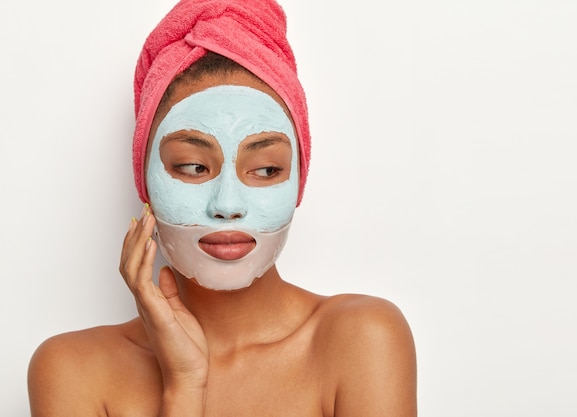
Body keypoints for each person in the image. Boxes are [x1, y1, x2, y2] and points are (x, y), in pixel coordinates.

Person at [27, 0, 417, 415]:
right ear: (145, 183)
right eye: (194, 167)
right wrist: (185, 385)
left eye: (266, 169)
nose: (228, 206)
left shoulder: (362, 339)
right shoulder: (73, 370)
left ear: (299, 181)